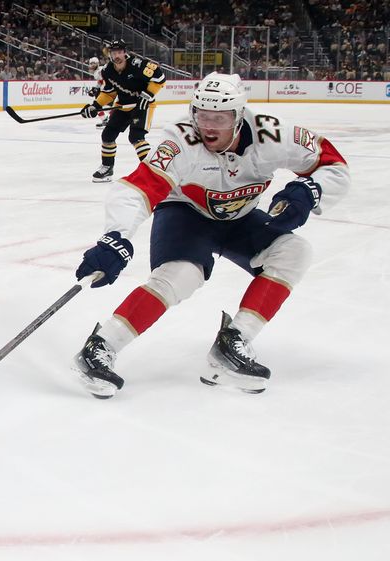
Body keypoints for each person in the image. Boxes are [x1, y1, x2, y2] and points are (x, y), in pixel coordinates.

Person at [73, 72, 350, 398]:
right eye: (202, 115)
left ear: (239, 115)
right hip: (185, 215)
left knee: (294, 252)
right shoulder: (180, 140)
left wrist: (310, 191)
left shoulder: (272, 134)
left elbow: (335, 165)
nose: (209, 126)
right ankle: (100, 345)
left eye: (220, 118)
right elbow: (137, 189)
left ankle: (234, 342)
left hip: (240, 219)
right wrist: (115, 236)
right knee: (183, 275)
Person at [81, 40, 166, 182]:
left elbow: (160, 78)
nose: (117, 55)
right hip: (123, 105)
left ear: (125, 53)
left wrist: (148, 95)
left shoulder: (138, 64)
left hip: (142, 105)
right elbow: (109, 93)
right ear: (110, 54)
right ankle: (107, 168)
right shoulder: (107, 70)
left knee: (136, 137)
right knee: (107, 135)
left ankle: (152, 173)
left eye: (120, 52)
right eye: (114, 53)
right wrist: (95, 106)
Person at [86, 56, 108, 129]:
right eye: (91, 63)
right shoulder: (96, 72)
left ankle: (108, 120)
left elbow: (105, 80)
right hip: (104, 90)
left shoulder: (100, 70)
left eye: (93, 63)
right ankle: (105, 120)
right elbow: (100, 81)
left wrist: (96, 89)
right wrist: (95, 89)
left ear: (97, 63)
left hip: (108, 91)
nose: (92, 65)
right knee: (97, 105)